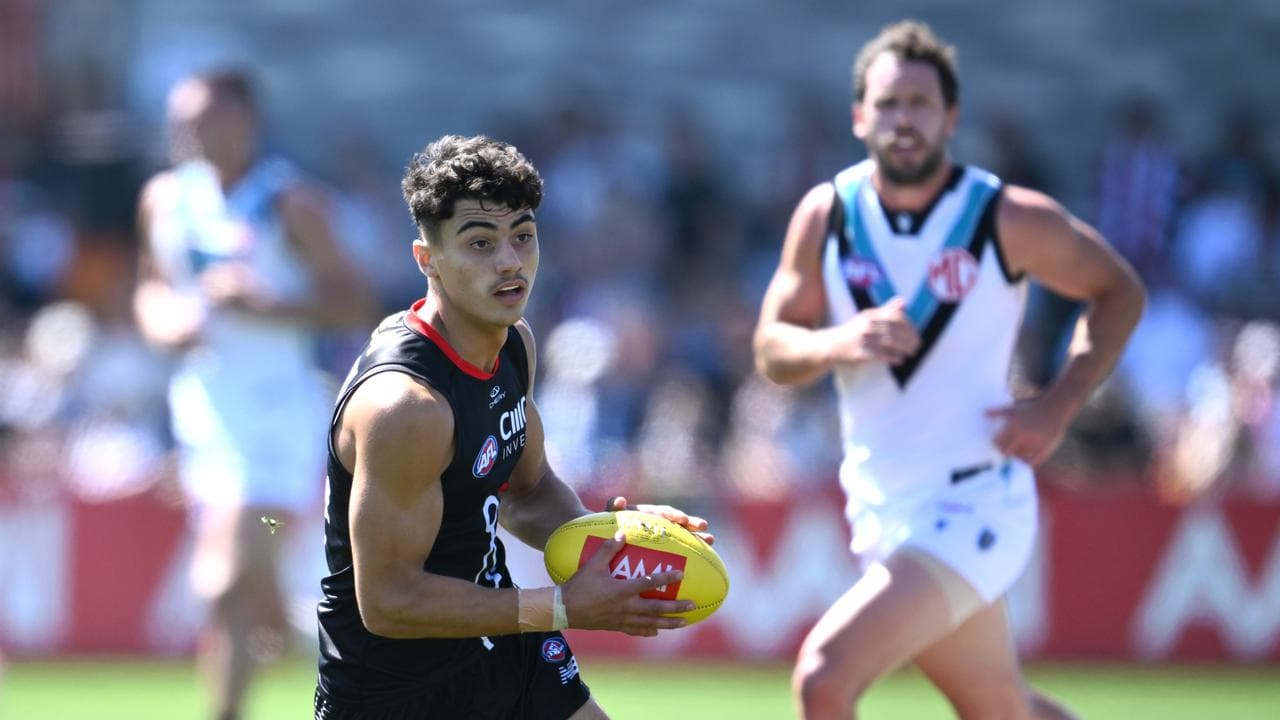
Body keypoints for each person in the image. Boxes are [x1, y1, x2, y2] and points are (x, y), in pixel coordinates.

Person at [753, 21, 1145, 720]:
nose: (904, 120)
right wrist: (841, 342)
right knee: (1002, 710)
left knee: (824, 678)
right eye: (888, 103)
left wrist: (1059, 404)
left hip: (972, 502)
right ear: (858, 116)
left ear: (951, 119)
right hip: (880, 506)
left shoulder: (1003, 217)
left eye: (921, 104)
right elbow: (771, 349)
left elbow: (1119, 290)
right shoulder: (827, 215)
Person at [313, 134, 713, 720]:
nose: (509, 262)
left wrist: (613, 538)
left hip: (504, 645)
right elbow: (390, 601)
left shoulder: (514, 346)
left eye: (522, 237)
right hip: (393, 688)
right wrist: (560, 607)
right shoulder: (405, 408)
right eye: (479, 243)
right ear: (429, 261)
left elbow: (527, 493)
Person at [133, 69, 378, 720]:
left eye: (202, 117)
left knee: (221, 581)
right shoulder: (164, 199)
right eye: (180, 120)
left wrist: (268, 306)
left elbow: (354, 297)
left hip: (278, 413)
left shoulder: (290, 203)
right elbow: (151, 288)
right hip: (206, 410)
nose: (186, 132)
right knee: (247, 596)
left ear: (245, 119)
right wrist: (165, 321)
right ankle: (316, 648)